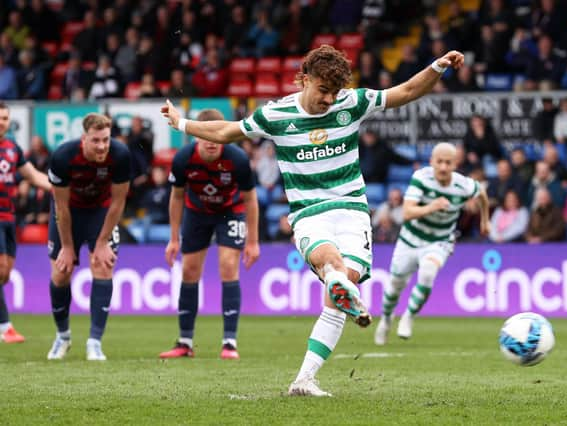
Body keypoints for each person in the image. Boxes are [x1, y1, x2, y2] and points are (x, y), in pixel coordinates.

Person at [161, 45, 465, 396]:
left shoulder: (350, 103)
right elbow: (226, 132)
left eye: (335, 92)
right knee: (334, 267)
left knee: (344, 284)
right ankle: (333, 278)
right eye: (323, 90)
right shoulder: (276, 115)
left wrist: (438, 66)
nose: (329, 99)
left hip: (352, 210)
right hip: (309, 212)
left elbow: (407, 91)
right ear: (305, 79)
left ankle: (304, 379)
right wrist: (182, 123)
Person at [159, 109, 260, 360]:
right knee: (189, 271)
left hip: (230, 212)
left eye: (217, 135)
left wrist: (253, 241)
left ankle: (229, 343)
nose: (212, 142)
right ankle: (184, 342)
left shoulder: (237, 159)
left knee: (228, 266)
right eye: (206, 135)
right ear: (196, 135)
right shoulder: (183, 159)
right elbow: (177, 197)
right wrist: (173, 238)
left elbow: (250, 200)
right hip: (197, 214)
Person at [374, 143, 490, 345]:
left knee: (428, 272)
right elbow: (407, 212)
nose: (443, 167)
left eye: (448, 163)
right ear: (432, 162)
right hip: (410, 240)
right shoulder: (421, 178)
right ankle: (385, 319)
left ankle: (409, 316)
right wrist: (433, 206)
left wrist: (485, 220)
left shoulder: (463, 184)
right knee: (395, 285)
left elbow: (481, 193)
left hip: (439, 240)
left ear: (455, 164)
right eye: (440, 162)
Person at [46, 113, 131, 361]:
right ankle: (62, 336)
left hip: (101, 212)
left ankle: (94, 342)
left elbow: (118, 202)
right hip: (68, 213)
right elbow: (60, 207)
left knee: (103, 266)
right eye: (96, 140)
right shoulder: (62, 157)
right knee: (61, 272)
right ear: (84, 138)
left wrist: (102, 242)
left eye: (105, 139)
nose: (102, 146)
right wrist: (68, 247)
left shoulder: (121, 155)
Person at [0, 103, 51, 343]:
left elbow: (33, 176)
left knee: (5, 274)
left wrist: (60, 186)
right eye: (0, 118)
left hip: (10, 217)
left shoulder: (12, 149)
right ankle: (5, 327)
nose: (2, 122)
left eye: (5, 118)